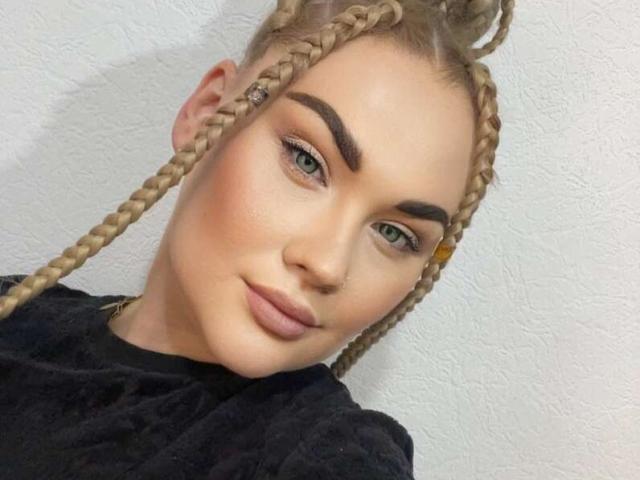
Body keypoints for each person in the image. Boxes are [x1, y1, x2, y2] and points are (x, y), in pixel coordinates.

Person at [0, 0, 514, 478]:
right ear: (208, 112)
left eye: (394, 234)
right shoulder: (18, 315)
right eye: (306, 161)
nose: (328, 264)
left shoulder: (326, 453)